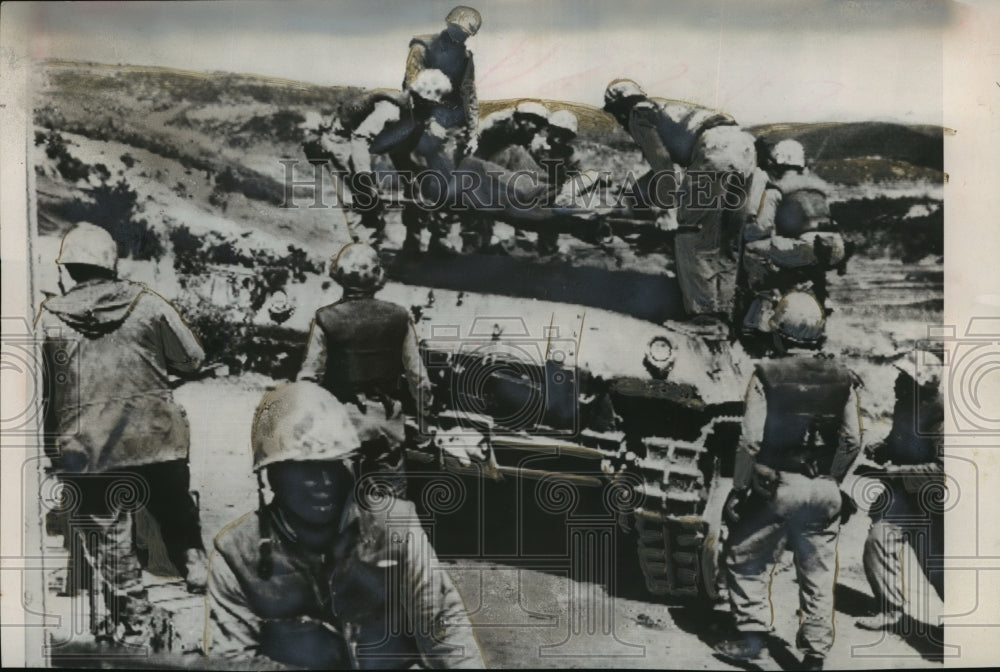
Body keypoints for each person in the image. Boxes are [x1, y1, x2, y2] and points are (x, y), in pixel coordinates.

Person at [204, 382, 485, 668]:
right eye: (305, 468)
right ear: (272, 475)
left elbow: (442, 626)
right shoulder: (238, 554)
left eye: (334, 465)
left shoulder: (394, 527)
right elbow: (231, 660)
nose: (324, 483)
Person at [37, 222, 207, 640]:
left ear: (69, 269)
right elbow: (193, 359)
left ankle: (133, 608)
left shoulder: (50, 319)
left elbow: (44, 395)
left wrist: (52, 452)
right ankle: (194, 564)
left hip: (89, 447)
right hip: (157, 436)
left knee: (110, 531)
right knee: (173, 505)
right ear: (112, 263)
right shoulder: (147, 303)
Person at [714, 292, 863, 671]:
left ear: (779, 333)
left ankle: (752, 638)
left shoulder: (767, 373)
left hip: (778, 485)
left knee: (745, 556)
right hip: (824, 488)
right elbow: (852, 439)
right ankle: (815, 654)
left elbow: (751, 440)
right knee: (817, 570)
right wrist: (833, 479)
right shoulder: (844, 376)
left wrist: (740, 489)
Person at [603, 79, 758, 329]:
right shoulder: (665, 110)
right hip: (744, 147)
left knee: (691, 235)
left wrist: (666, 210)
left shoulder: (638, 113)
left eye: (615, 114)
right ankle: (724, 316)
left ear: (620, 107)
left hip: (713, 149)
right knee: (727, 239)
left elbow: (662, 162)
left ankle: (705, 319)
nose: (619, 122)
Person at [298, 242, 431, 494]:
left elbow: (308, 380)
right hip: (385, 429)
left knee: (337, 510)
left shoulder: (325, 319)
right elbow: (419, 378)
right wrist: (424, 426)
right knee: (389, 512)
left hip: (339, 428)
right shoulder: (399, 317)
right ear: (378, 277)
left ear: (338, 276)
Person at [854, 348, 944, 631]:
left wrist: (893, 472)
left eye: (903, 379)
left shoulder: (942, 418)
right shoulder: (905, 406)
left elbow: (943, 472)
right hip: (903, 496)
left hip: (933, 501)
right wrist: (882, 448)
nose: (896, 384)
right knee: (878, 542)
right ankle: (890, 608)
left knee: (938, 565)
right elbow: (899, 441)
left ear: (918, 383)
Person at [738, 139, 852, 353]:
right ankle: (817, 315)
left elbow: (760, 229)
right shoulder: (817, 189)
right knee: (810, 273)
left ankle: (758, 315)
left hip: (806, 246)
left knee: (752, 250)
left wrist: (745, 230)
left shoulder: (776, 189)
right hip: (834, 247)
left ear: (777, 164)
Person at [301, 92, 404, 246]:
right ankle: (365, 239)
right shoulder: (350, 117)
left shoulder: (365, 114)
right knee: (354, 199)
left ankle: (368, 236)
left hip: (343, 146)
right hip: (340, 147)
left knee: (358, 198)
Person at [403, 5, 482, 152]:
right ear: (449, 24)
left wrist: (473, 135)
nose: (461, 37)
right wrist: (429, 120)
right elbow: (412, 86)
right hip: (418, 111)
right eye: (458, 31)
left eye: (465, 34)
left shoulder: (465, 57)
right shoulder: (422, 46)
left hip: (449, 115)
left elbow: (469, 95)